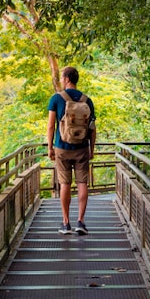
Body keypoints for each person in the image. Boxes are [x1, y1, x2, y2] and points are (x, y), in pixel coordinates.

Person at [47, 66, 96, 235]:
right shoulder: (86, 100)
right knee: (82, 183)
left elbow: (51, 126)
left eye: (62, 77)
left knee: (65, 183)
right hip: (82, 148)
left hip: (62, 148)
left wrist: (50, 147)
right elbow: (92, 128)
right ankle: (80, 222)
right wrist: (92, 149)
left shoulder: (56, 98)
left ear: (67, 78)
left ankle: (66, 223)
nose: (61, 79)